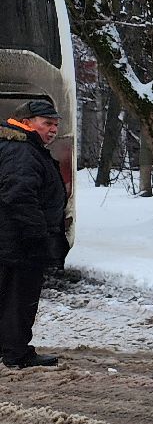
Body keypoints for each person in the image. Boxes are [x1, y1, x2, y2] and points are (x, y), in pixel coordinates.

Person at [0, 99, 67, 368]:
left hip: (11, 239)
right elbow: (19, 196)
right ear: (26, 122)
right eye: (47, 123)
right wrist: (39, 236)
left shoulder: (19, 146)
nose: (53, 130)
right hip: (19, 241)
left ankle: (10, 348)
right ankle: (17, 354)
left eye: (56, 125)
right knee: (19, 299)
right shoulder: (22, 151)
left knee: (8, 296)